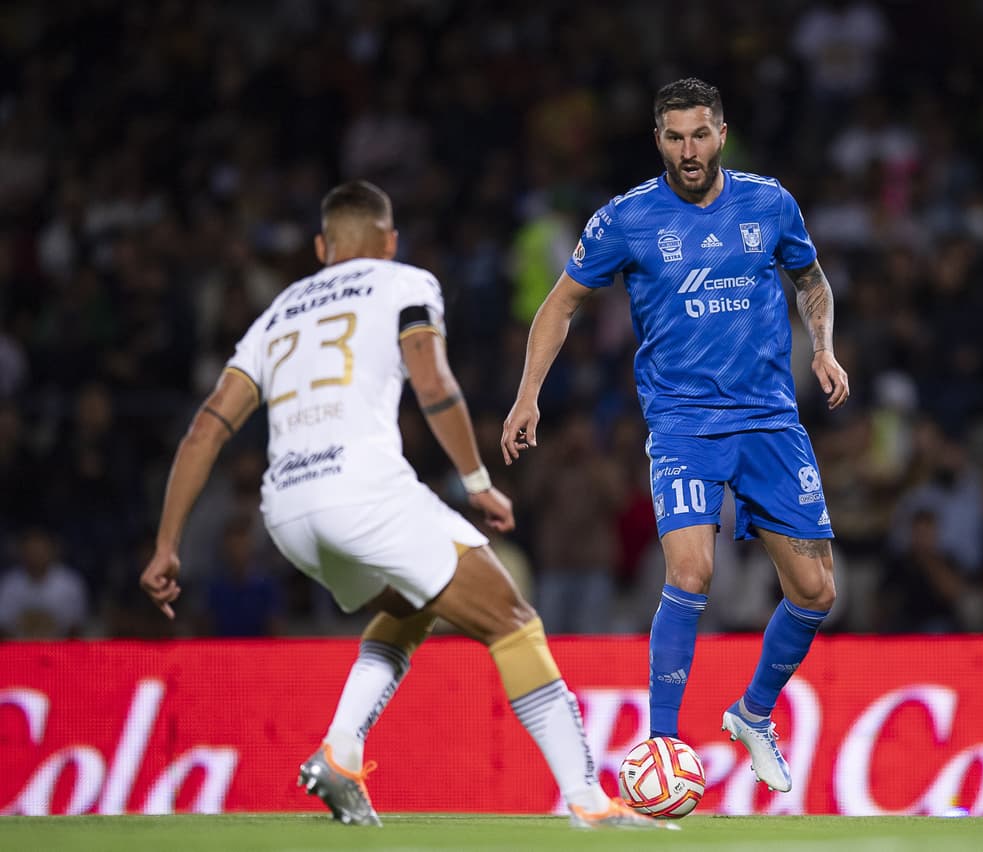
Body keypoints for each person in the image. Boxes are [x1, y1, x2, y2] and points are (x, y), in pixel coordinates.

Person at [140, 181, 663, 831]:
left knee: (412, 605)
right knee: (514, 620)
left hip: (288, 513)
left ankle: (341, 751)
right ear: (389, 241)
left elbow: (204, 431)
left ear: (321, 246)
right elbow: (433, 379)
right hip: (361, 491)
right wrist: (475, 480)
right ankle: (589, 803)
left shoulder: (274, 315)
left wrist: (167, 545)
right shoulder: (403, 283)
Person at [501, 78, 850, 794]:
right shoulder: (626, 219)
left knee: (815, 592)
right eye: (673, 137)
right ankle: (661, 745)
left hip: (769, 420)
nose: (688, 151)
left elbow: (810, 279)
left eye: (699, 135)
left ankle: (754, 715)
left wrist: (822, 346)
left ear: (721, 133)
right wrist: (528, 394)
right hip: (684, 424)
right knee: (691, 573)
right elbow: (560, 304)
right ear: (657, 140)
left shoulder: (769, 201)